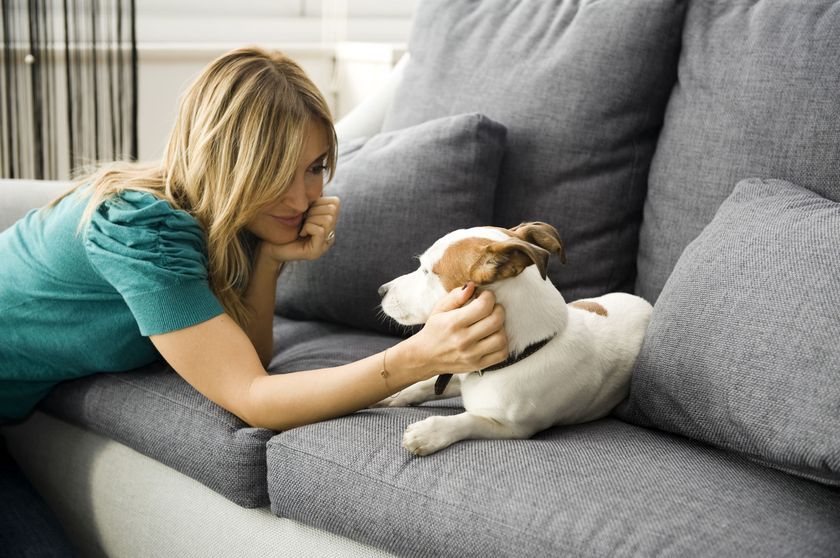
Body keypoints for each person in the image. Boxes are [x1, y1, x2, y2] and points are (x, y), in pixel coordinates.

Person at [0, 46, 508, 430]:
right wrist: (421, 356)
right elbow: (252, 395)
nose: (302, 199)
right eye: (274, 173)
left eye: (313, 168)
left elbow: (249, 358)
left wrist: (268, 261)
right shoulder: (142, 229)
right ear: (225, 164)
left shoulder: (232, 223)